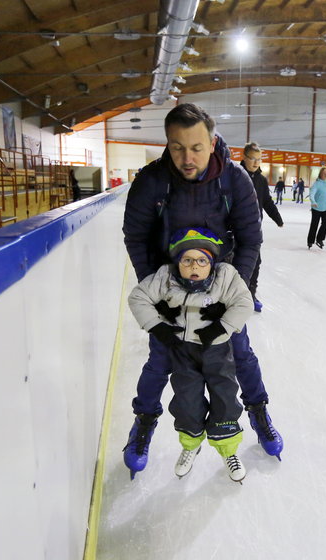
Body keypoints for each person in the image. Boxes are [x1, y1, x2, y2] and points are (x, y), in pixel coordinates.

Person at [121, 103, 283, 479]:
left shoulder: (236, 180)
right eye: (177, 147)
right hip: (170, 291)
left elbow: (250, 239)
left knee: (240, 355)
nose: (186, 157)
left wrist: (229, 292)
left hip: (220, 289)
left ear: (211, 142)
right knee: (160, 360)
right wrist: (159, 296)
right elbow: (136, 237)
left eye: (195, 147)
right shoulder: (152, 181)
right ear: (167, 143)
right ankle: (143, 424)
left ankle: (258, 414)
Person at [128, 228, 252, 483]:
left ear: (211, 263)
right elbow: (138, 297)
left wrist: (221, 327)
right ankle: (191, 443)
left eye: (201, 260)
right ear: (177, 262)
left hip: (217, 351)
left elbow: (243, 302)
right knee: (186, 400)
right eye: (187, 260)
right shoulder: (165, 277)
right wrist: (158, 327)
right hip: (182, 351)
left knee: (225, 398)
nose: (194, 266)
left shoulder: (225, 276)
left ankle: (228, 450)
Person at [240, 142, 284, 313]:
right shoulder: (236, 175)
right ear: (244, 157)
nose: (256, 163)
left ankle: (251, 294)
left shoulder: (261, 179)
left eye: (259, 159)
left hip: (254, 229)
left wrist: (277, 218)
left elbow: (266, 201)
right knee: (235, 262)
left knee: (255, 262)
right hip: (235, 228)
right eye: (253, 158)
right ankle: (233, 296)